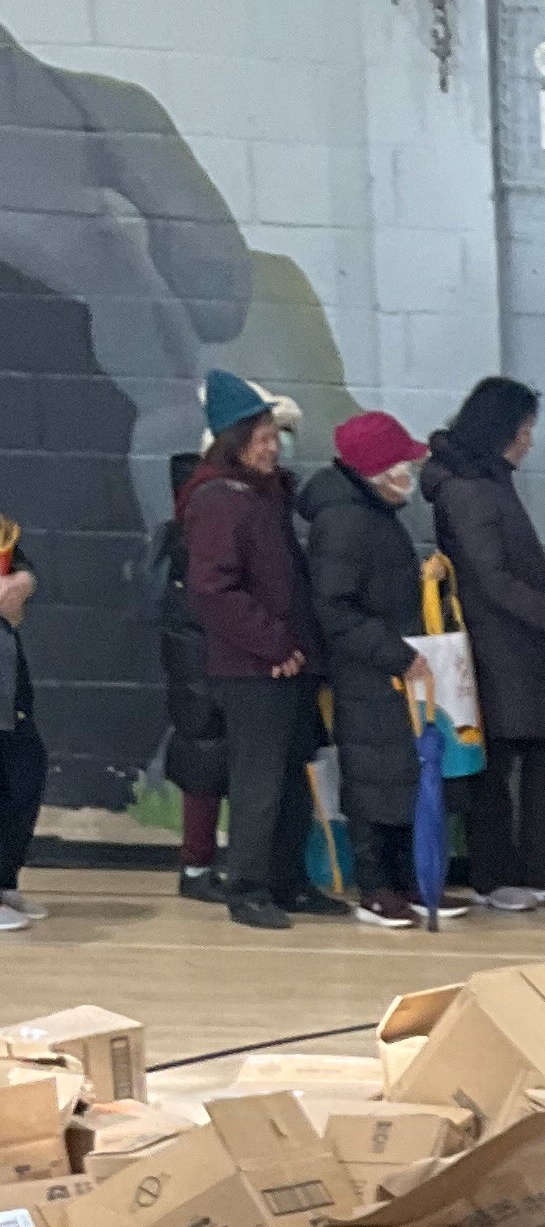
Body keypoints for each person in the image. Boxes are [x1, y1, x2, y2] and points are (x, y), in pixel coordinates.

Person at [424, 374, 545, 914]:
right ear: (501, 430)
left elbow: (503, 563)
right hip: (497, 646)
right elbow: (490, 581)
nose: (530, 441)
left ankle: (541, 867)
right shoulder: (466, 488)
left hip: (522, 641)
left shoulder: (489, 479)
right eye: (524, 429)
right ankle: (494, 876)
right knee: (494, 762)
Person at [183, 369, 339, 931]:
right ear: (233, 440)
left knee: (291, 778)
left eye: (276, 436)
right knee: (259, 782)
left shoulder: (261, 495)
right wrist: (275, 644)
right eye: (262, 437)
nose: (274, 447)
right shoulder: (221, 501)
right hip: (253, 668)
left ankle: (288, 882)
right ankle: (247, 888)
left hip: (286, 662)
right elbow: (214, 589)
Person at [298, 411, 430, 927]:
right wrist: (396, 653)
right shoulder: (346, 520)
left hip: (388, 668)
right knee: (370, 779)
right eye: (404, 467)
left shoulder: (372, 512)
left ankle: (403, 880)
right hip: (369, 671)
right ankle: (375, 887)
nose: (411, 478)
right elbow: (335, 607)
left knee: (397, 775)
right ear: (378, 471)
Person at [151, 452, 230, 907]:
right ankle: (197, 864)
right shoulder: (197, 536)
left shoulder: (180, 534)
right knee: (205, 763)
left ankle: (198, 863)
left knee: (205, 761)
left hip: (197, 661)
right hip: (203, 662)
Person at [0, 536, 41, 930]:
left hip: (7, 678)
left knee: (25, 774)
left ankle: (4, 880)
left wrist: (22, 582)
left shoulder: (3, 530)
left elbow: (22, 571)